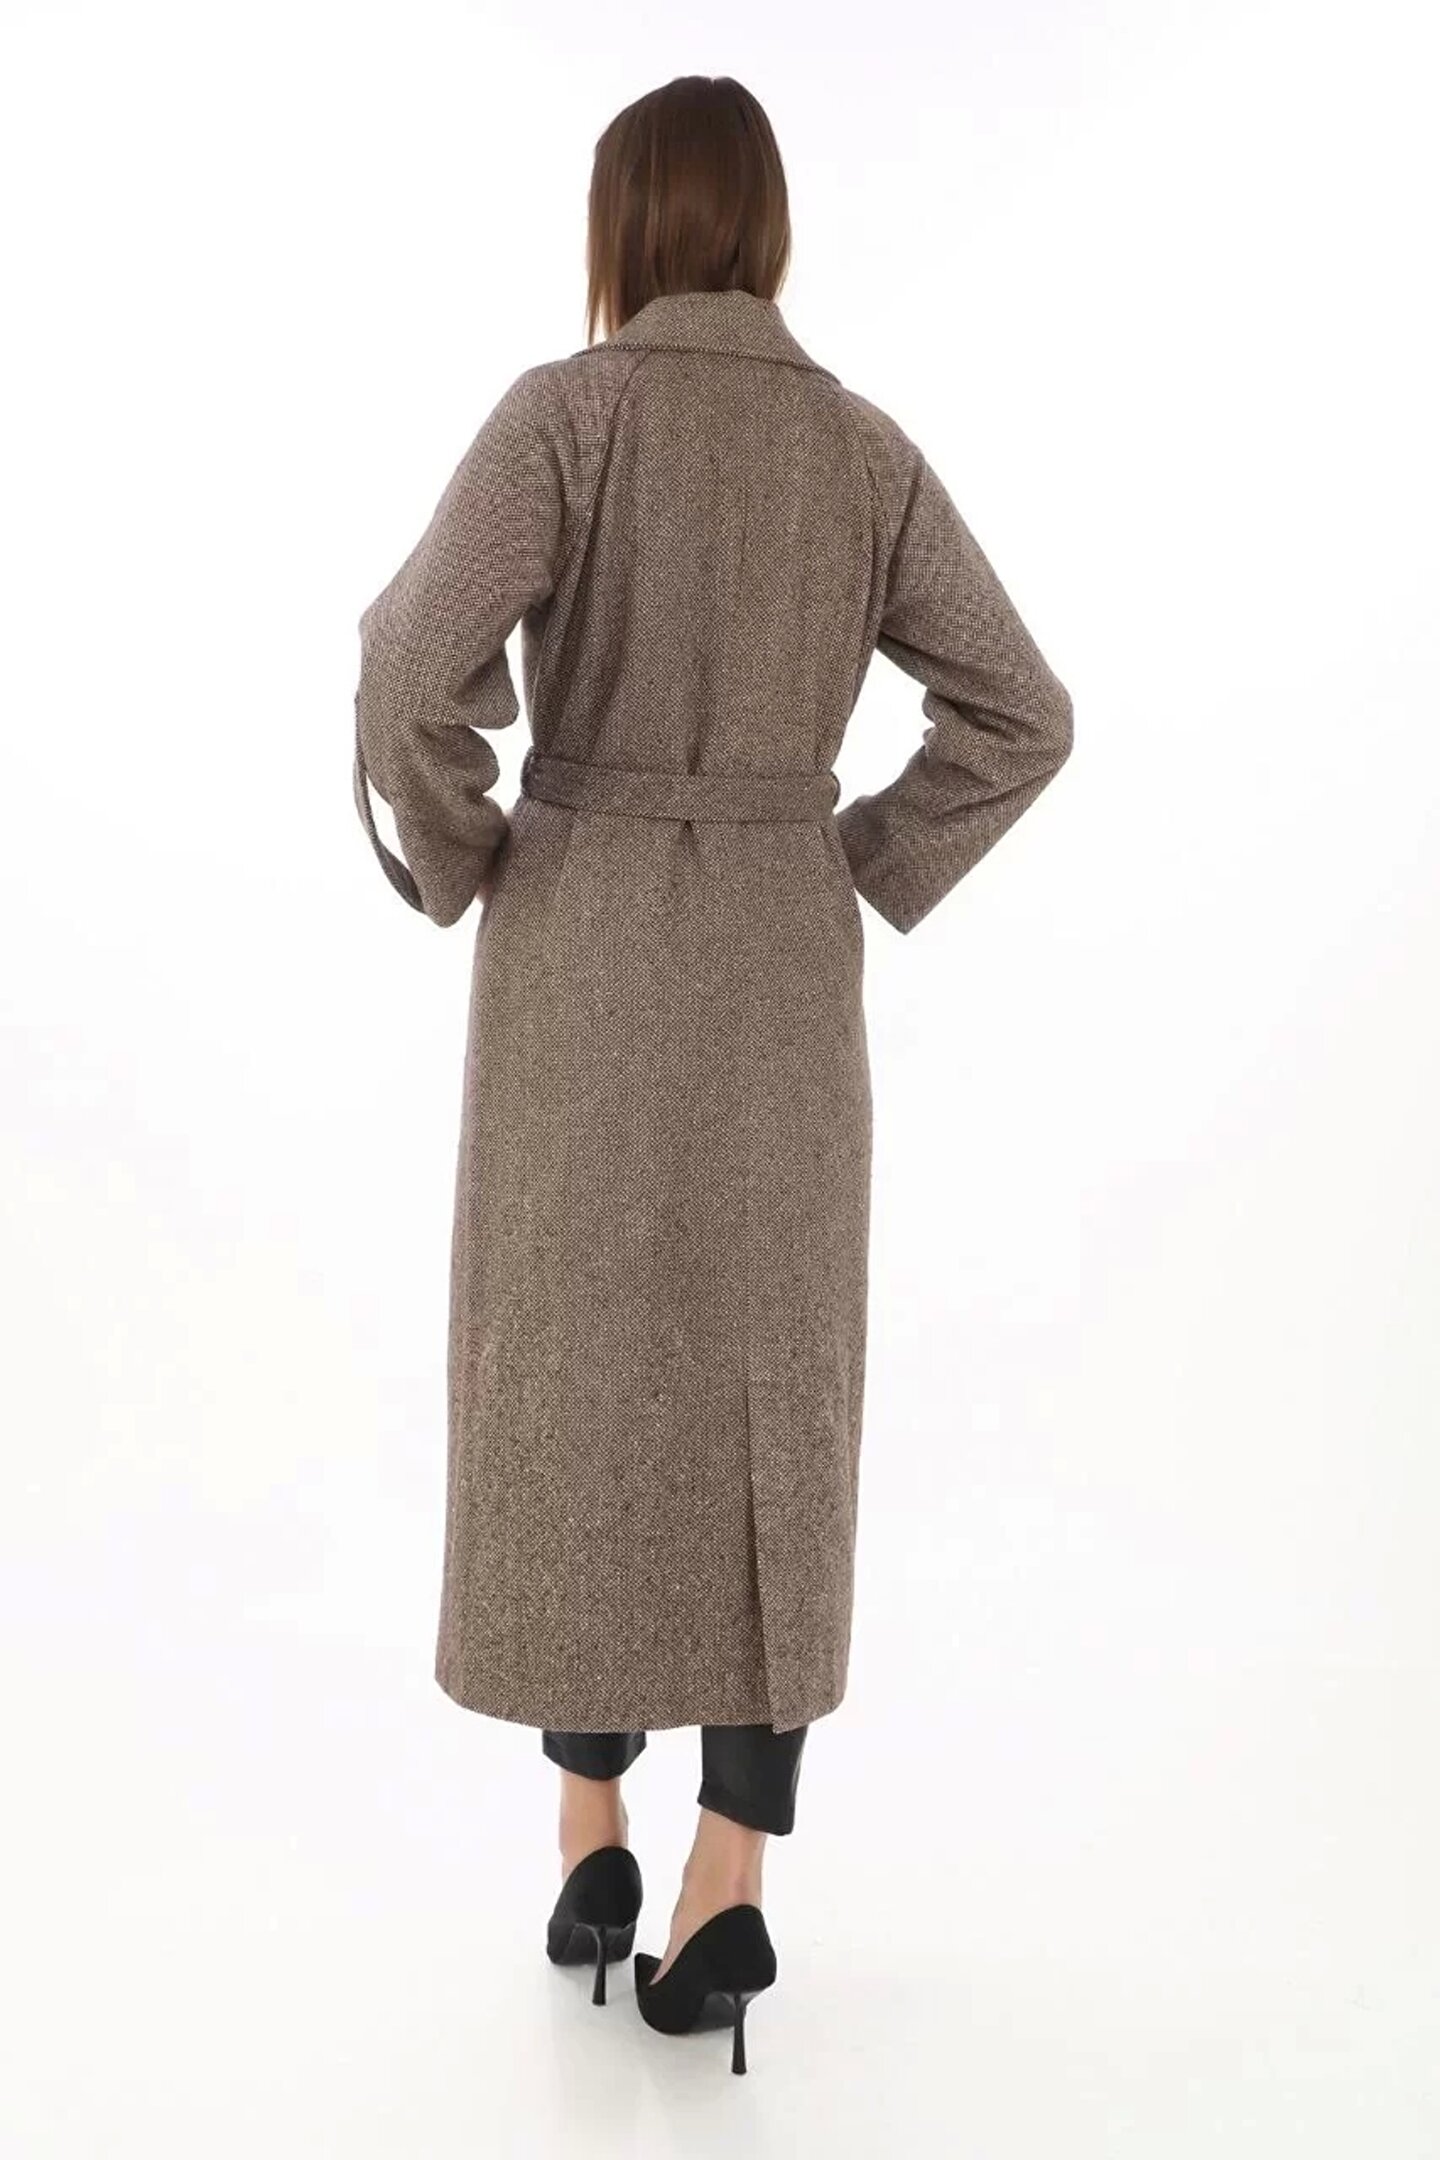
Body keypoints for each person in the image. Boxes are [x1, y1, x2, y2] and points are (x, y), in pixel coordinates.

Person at [353, 74, 1073, 2074]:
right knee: (772, 1394)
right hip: (775, 954)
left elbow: (407, 666)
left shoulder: (562, 420)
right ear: (767, 231)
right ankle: (726, 1875)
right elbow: (1023, 712)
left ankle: (587, 1838)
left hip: (577, 946)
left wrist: (467, 851)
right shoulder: (863, 453)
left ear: (620, 230)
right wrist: (857, 861)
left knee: (574, 1375)